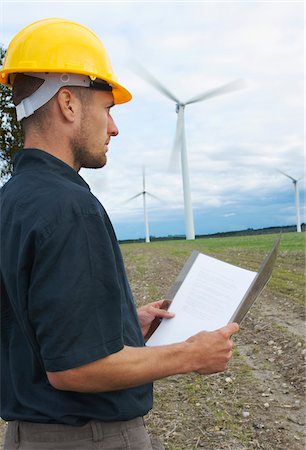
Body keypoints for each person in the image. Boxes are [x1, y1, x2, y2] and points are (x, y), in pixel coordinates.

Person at [0, 18, 239, 450]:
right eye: (108, 108)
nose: (114, 128)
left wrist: (125, 325)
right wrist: (190, 354)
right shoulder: (70, 207)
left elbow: (34, 328)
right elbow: (75, 368)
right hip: (86, 438)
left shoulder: (12, 201)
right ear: (69, 104)